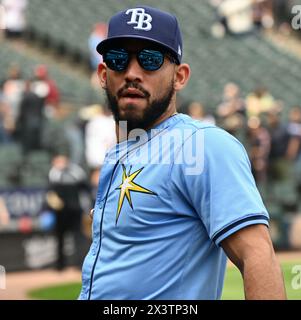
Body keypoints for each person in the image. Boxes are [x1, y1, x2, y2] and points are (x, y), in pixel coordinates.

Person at [79, 6, 286, 300]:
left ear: (180, 76)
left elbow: (257, 255)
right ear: (103, 73)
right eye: (119, 59)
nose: (132, 73)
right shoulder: (123, 153)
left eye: (150, 60)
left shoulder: (203, 145)